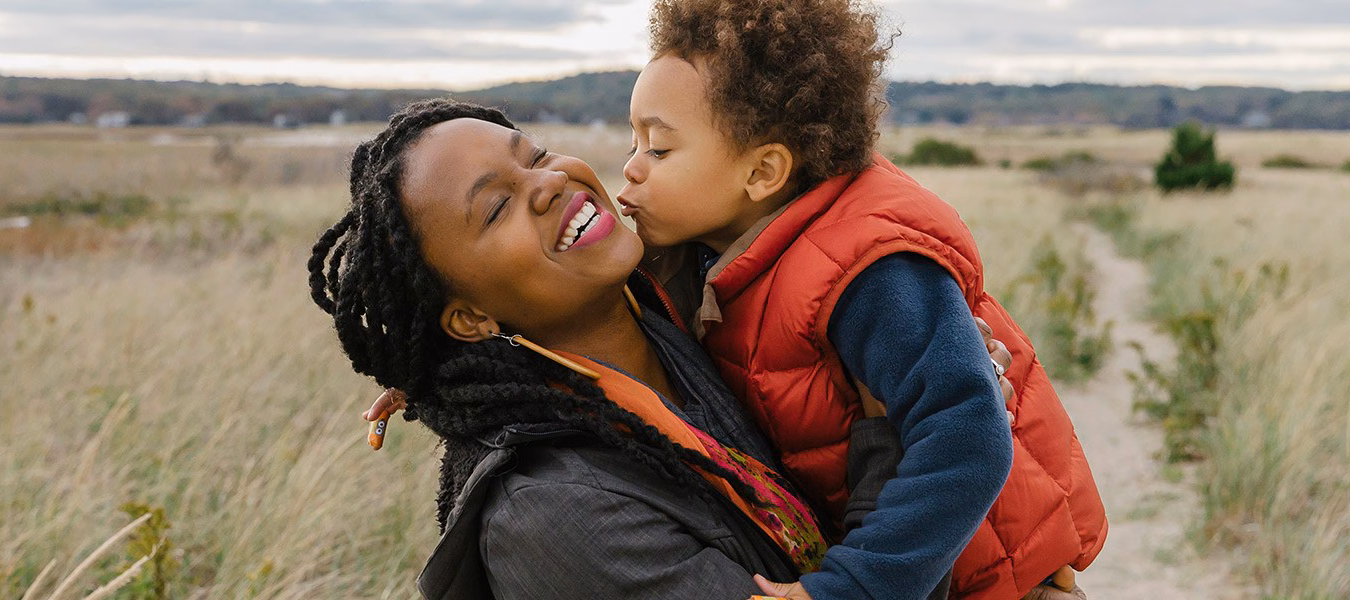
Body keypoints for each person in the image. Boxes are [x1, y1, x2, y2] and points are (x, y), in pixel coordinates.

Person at [313, 99, 1013, 600]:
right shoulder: (553, 515)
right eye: (495, 207)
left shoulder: (686, 298)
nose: (550, 182)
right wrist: (890, 435)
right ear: (468, 318)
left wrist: (927, 362)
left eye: (535, 156)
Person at [617, 1, 1107, 598]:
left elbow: (967, 434)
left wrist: (852, 588)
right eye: (633, 141)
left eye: (658, 149)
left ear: (763, 172)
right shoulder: (728, 261)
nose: (631, 168)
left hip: (998, 582)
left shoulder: (866, 267)